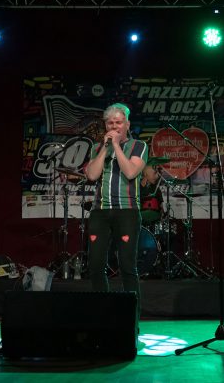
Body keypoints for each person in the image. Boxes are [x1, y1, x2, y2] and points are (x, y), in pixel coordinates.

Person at [84, 103, 148, 310]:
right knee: (95, 266)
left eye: (118, 123)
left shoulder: (138, 146)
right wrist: (105, 148)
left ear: (127, 124)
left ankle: (131, 317)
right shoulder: (97, 148)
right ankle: (103, 313)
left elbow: (130, 172)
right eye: (110, 123)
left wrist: (117, 146)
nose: (114, 127)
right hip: (100, 212)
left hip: (127, 211)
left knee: (127, 267)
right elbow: (92, 175)